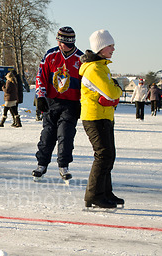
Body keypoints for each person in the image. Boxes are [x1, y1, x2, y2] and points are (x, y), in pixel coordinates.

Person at [32, 26, 84, 181]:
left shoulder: (80, 59)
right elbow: (40, 76)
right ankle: (42, 164)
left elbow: (85, 84)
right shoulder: (51, 55)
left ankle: (63, 165)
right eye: (59, 41)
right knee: (47, 134)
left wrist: (83, 102)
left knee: (66, 135)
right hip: (51, 102)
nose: (59, 44)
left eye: (62, 41)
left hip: (71, 104)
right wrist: (40, 96)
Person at [79, 29, 123, 209]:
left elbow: (110, 92)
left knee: (108, 155)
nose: (113, 49)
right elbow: (112, 92)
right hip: (94, 117)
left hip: (104, 116)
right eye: (110, 45)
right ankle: (94, 195)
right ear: (101, 47)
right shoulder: (94, 69)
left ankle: (105, 192)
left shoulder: (102, 67)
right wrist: (117, 90)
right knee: (103, 155)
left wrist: (114, 91)